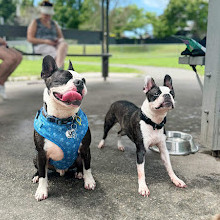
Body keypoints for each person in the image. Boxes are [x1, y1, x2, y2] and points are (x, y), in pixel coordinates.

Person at [27, 0, 68, 68]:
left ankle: (58, 72)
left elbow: (61, 37)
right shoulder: (36, 22)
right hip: (41, 45)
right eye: (45, 14)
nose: (47, 16)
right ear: (41, 13)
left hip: (55, 45)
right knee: (56, 55)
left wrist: (56, 41)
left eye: (49, 15)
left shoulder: (54, 23)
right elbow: (30, 38)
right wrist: (46, 41)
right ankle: (59, 71)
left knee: (63, 45)